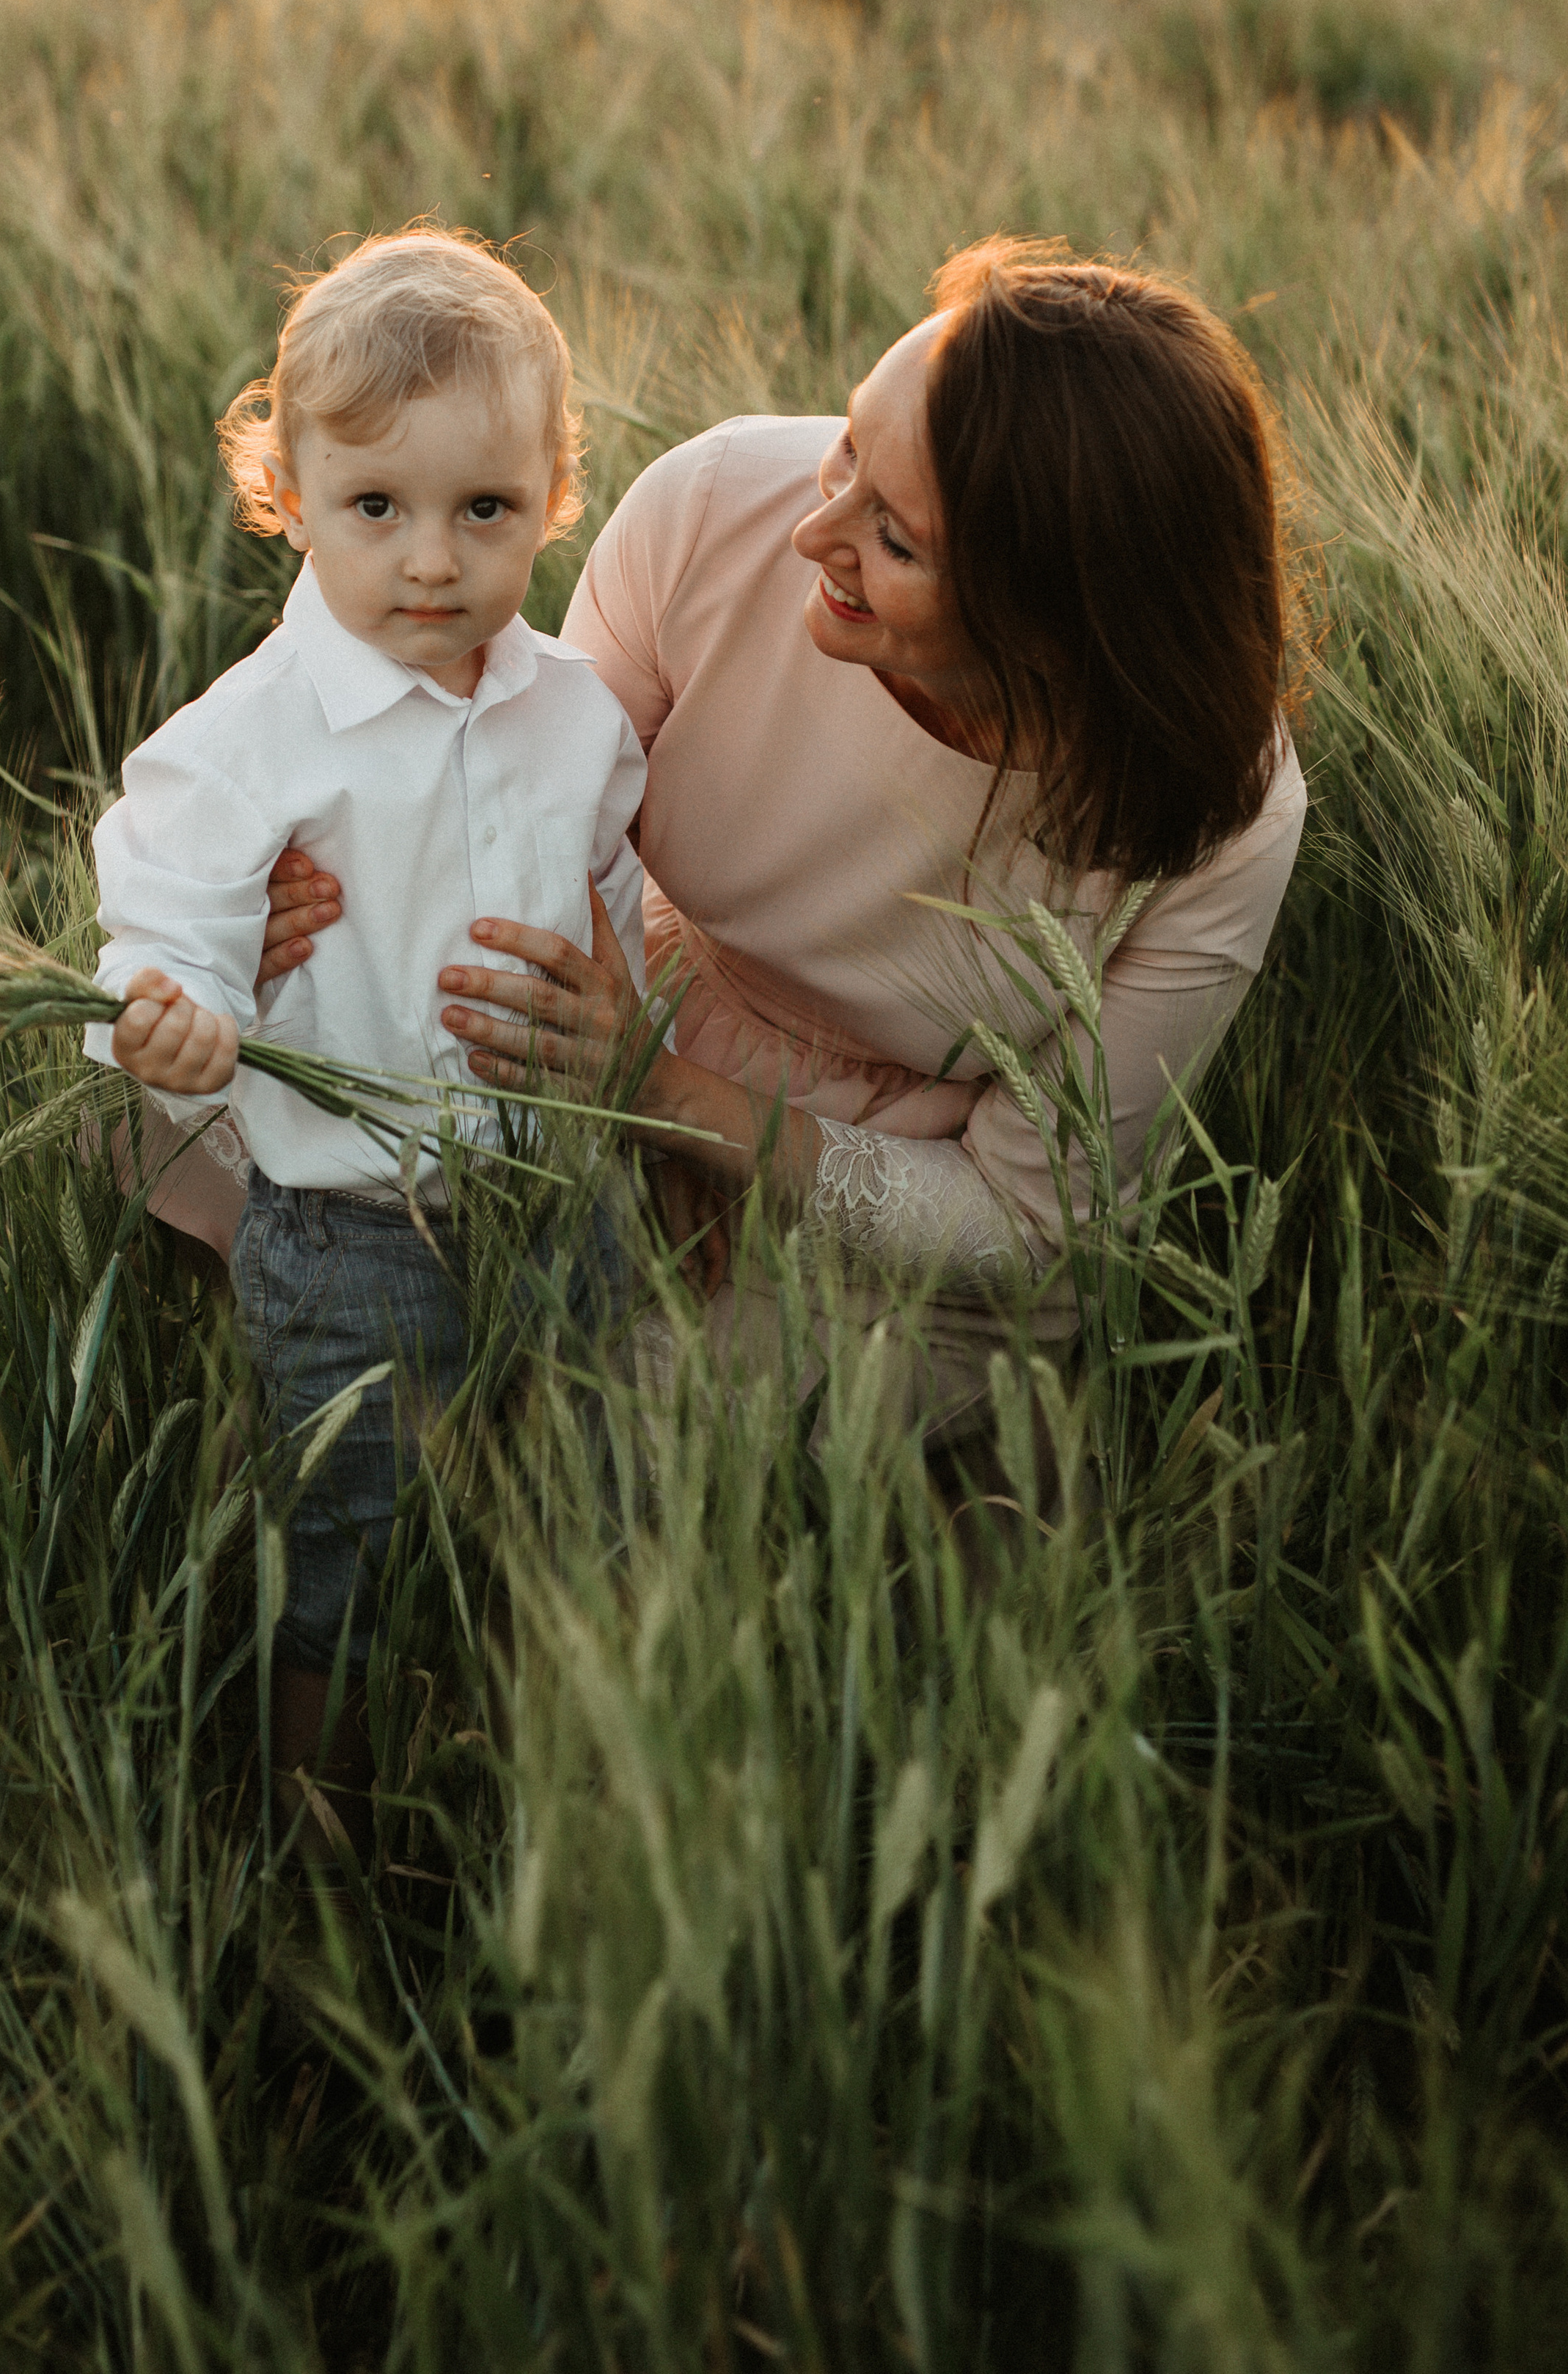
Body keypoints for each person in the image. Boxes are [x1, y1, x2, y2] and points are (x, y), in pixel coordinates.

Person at [261, 237, 1309, 1497]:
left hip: (898, 1208)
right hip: (610, 1023)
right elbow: (516, 831)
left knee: (589, 1444)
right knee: (224, 1125)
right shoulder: (717, 506)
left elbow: (1026, 1221)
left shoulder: (1221, 818)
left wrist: (693, 1115)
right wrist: (307, 890)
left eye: (896, 540)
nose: (815, 530)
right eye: (851, 448)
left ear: (1055, 623)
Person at [84, 227, 648, 1846]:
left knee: (584, 1509)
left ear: (556, 494)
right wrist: (177, 1016)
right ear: (287, 493)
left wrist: (622, 1026)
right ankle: (311, 1839)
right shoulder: (243, 743)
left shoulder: (577, 713)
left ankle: (543, 1802)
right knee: (349, 1544)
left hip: (560, 1202)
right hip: (350, 1234)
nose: (432, 562)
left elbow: (615, 905)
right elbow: (166, 927)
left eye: (485, 510)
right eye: (376, 507)